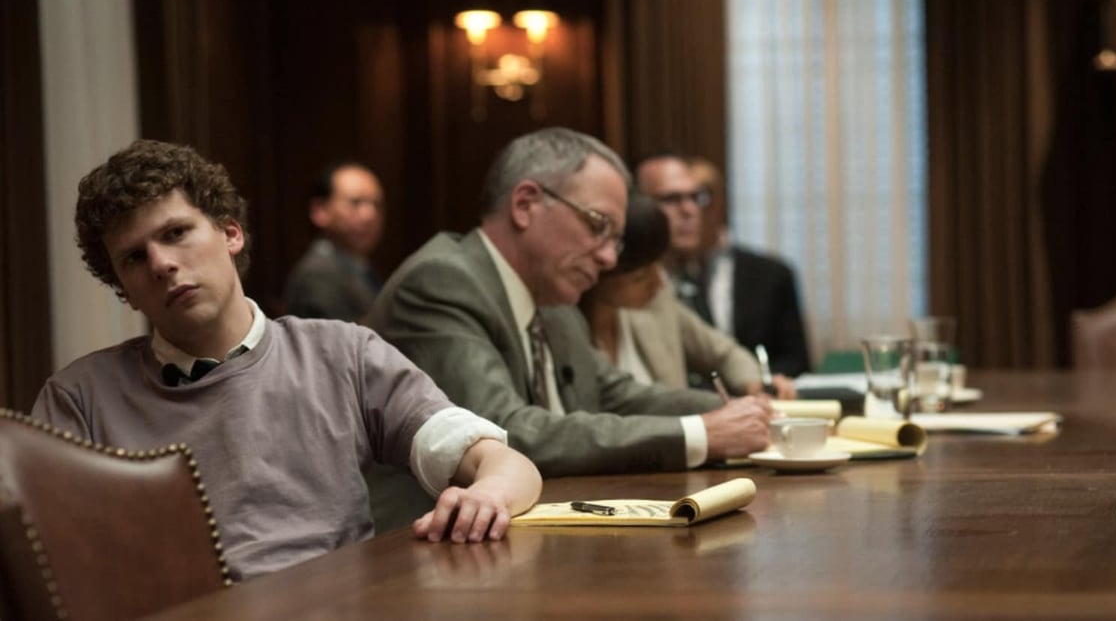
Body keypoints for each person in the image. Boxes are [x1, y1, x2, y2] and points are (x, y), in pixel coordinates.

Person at [31, 140, 541, 582]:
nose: (162, 264)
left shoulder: (341, 354)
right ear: (125, 289)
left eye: (176, 233)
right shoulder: (80, 397)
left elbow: (502, 461)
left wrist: (489, 492)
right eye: (134, 258)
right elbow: (47, 565)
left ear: (230, 234)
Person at [364, 127, 774, 477]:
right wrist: (700, 433)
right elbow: (503, 432)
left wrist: (744, 411)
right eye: (598, 225)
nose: (610, 258)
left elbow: (616, 394)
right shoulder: (443, 282)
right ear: (525, 205)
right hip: (415, 546)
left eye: (615, 239)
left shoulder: (552, 296)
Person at [579, 194, 796, 399]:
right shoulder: (569, 331)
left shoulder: (657, 303)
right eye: (641, 277)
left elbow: (723, 353)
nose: (659, 283)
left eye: (659, 268)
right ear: (599, 277)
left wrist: (755, 384)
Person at [636, 153, 811, 377]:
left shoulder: (687, 276)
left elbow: (721, 353)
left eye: (698, 198)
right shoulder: (628, 280)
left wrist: (755, 384)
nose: (691, 210)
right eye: (672, 199)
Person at [284, 161, 385, 321]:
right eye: (355, 203)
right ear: (320, 210)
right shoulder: (318, 276)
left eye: (377, 205)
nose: (369, 215)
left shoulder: (359, 268)